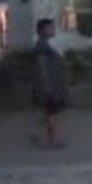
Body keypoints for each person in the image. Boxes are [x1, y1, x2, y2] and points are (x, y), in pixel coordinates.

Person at [31, 18, 68, 148]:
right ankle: (50, 140)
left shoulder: (45, 47)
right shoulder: (43, 49)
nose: (54, 29)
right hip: (48, 88)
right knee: (50, 113)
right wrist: (49, 89)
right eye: (51, 27)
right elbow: (42, 71)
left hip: (50, 87)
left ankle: (46, 138)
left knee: (50, 114)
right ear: (44, 30)